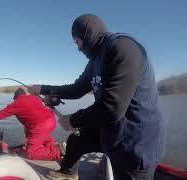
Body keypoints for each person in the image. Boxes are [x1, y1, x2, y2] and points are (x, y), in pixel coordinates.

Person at [28, 14, 165, 180]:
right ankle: (67, 172)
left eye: (77, 41)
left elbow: (112, 108)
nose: (78, 48)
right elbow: (77, 89)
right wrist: (43, 89)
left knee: (128, 172)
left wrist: (72, 120)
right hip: (112, 129)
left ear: (87, 35)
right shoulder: (94, 61)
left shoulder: (123, 48)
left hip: (136, 141)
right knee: (77, 139)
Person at [0, 87, 63, 160]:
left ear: (16, 97)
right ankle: (52, 144)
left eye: (15, 99)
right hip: (51, 121)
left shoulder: (18, 102)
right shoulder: (35, 97)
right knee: (28, 129)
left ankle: (59, 152)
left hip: (41, 126)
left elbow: (0, 114)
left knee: (30, 153)